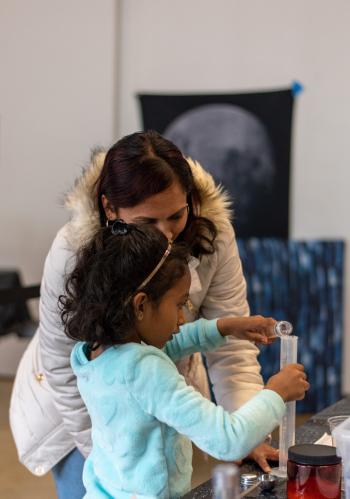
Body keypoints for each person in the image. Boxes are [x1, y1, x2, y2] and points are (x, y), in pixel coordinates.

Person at [10, 130, 285, 498]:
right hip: (75, 411)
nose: (167, 236)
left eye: (176, 216)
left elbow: (227, 351)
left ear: (190, 199)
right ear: (110, 210)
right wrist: (116, 457)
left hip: (149, 399)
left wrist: (247, 429)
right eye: (148, 223)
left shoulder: (212, 238)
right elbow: (61, 366)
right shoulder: (72, 250)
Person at [60, 220, 309, 498]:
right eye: (179, 304)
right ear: (141, 305)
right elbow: (227, 439)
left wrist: (224, 326)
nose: (181, 319)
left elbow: (168, 343)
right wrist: (276, 393)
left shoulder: (93, 352)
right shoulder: (146, 370)